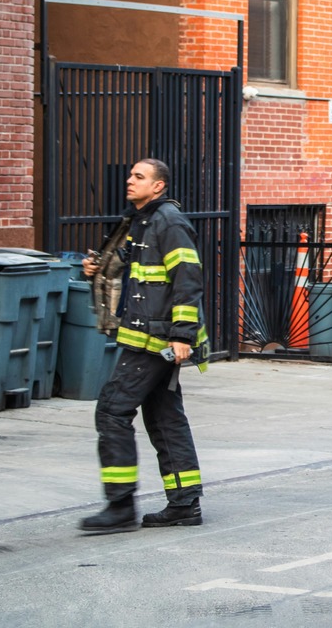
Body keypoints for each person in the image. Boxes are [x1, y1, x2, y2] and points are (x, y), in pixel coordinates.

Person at [79, 158, 210, 533]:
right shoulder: (142, 222)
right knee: (164, 417)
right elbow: (129, 265)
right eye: (131, 174)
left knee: (111, 411)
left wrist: (182, 335)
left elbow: (188, 279)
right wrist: (97, 267)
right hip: (147, 336)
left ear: (159, 186)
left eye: (140, 176)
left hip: (156, 340)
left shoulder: (169, 222)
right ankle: (184, 503)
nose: (130, 180)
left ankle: (120, 506)